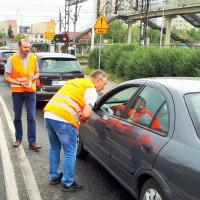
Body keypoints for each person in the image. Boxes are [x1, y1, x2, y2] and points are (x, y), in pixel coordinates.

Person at [43, 70, 107, 192]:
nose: (103, 87)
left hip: (49, 113)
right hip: (64, 119)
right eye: (104, 84)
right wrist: (79, 120)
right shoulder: (91, 89)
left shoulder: (75, 81)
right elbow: (87, 114)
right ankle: (67, 183)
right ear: (98, 81)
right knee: (70, 152)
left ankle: (54, 176)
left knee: (54, 148)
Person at [4, 38, 42, 150]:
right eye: (25, 47)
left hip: (31, 92)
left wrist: (35, 76)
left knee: (31, 116)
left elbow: (37, 73)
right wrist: (19, 82)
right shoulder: (12, 59)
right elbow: (7, 77)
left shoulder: (33, 58)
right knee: (17, 117)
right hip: (17, 92)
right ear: (19, 47)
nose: (28, 49)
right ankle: (18, 139)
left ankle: (32, 142)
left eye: (29, 47)